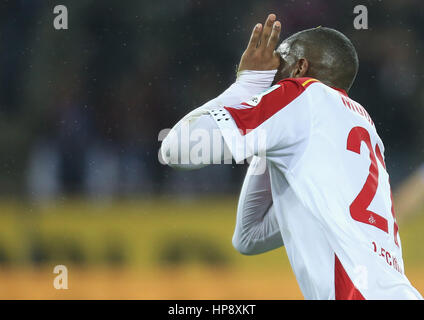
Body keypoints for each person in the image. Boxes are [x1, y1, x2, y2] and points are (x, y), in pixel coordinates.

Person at [160, 13, 423, 300]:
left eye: (279, 60)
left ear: (299, 67)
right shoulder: (363, 125)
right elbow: (249, 236)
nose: (272, 71)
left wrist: (248, 84)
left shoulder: (302, 94)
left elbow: (176, 148)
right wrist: (266, 140)